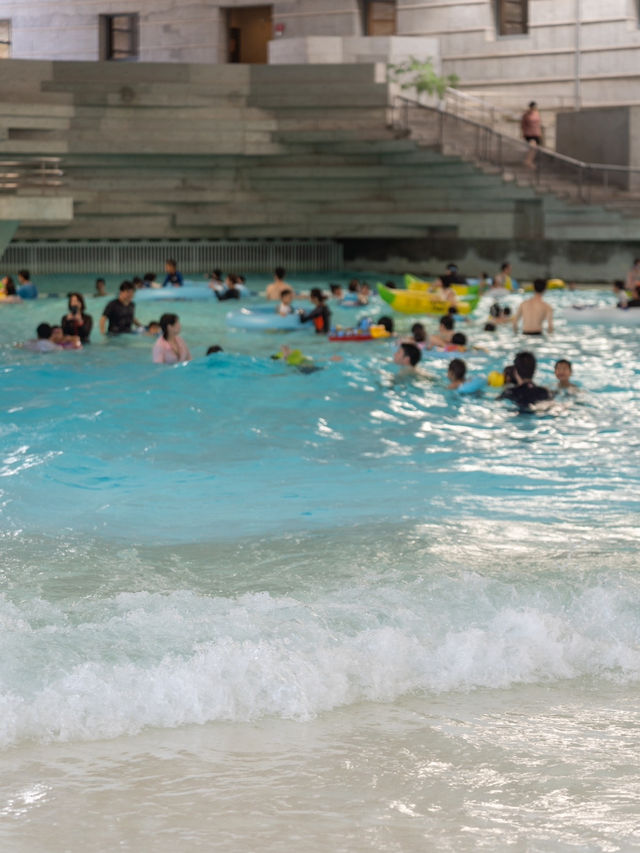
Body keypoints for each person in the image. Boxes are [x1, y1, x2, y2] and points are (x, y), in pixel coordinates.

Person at [521, 101, 542, 169]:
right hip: (529, 134)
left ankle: (529, 161)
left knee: (533, 149)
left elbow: (538, 124)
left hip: (536, 134)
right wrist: (523, 133)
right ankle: (528, 161)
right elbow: (523, 124)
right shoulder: (526, 114)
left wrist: (540, 133)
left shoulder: (537, 113)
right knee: (533, 147)